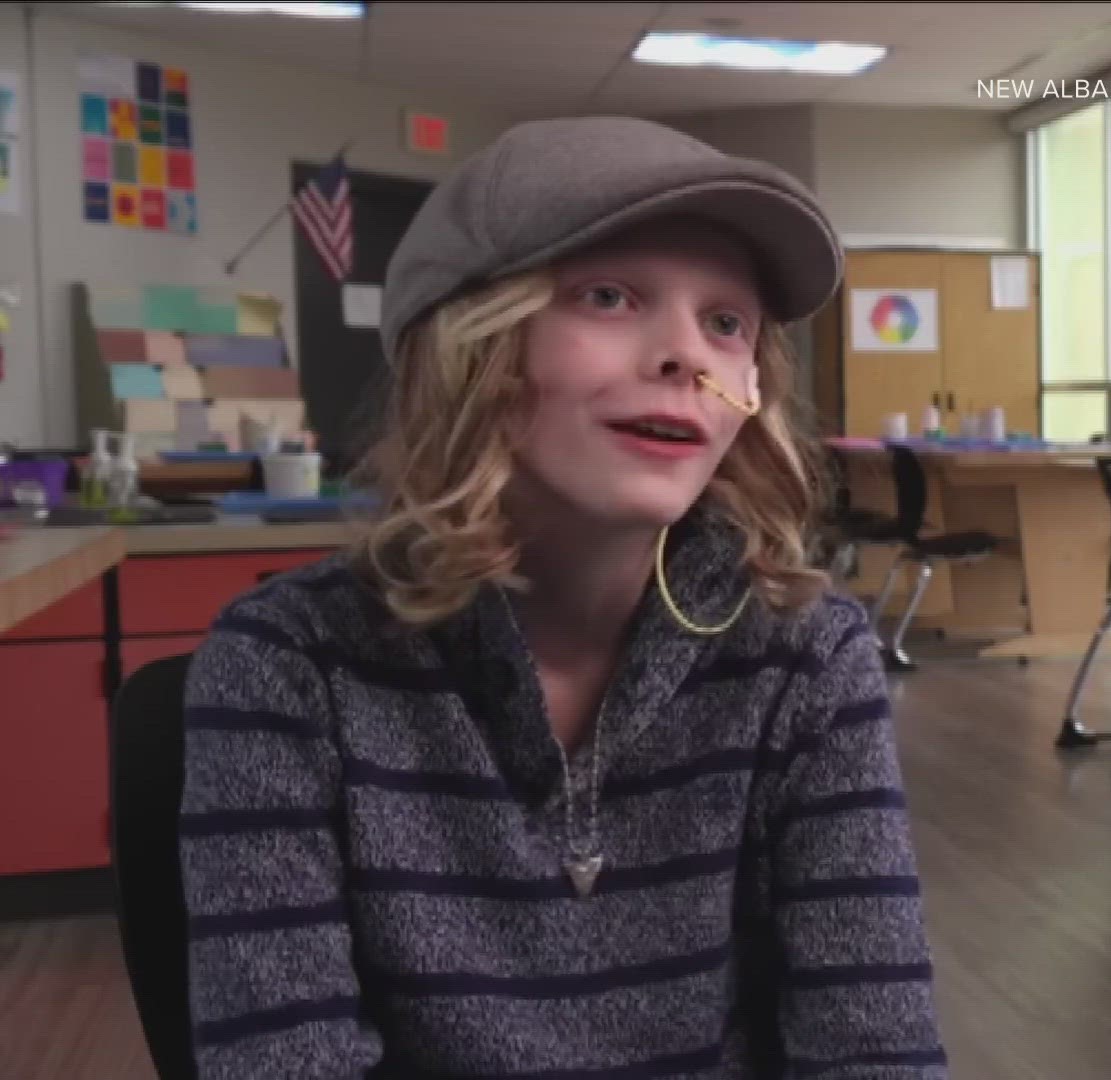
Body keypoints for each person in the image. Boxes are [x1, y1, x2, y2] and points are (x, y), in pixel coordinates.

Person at [177, 116, 947, 1079]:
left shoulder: (805, 658)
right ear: (471, 349)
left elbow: (873, 1052)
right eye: (610, 295)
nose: (686, 356)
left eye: (726, 322)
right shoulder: (290, 663)